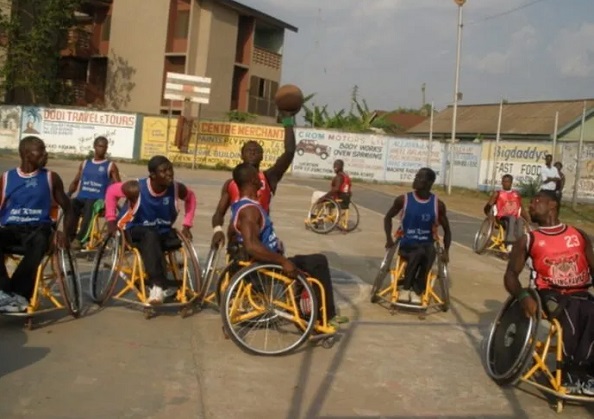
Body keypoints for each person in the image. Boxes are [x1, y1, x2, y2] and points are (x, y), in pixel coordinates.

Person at [229, 162, 348, 327]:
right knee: (319, 262)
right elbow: (251, 245)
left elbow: (234, 232)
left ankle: (311, 311)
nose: (260, 178)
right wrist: (282, 261)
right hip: (267, 267)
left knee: (306, 263)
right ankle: (326, 317)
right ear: (251, 180)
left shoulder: (239, 205)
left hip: (265, 262)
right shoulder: (250, 210)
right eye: (257, 176)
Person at [504, 190, 594, 395]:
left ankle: (586, 372)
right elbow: (510, 275)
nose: (530, 205)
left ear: (552, 205)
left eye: (536, 201)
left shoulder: (578, 235)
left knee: (589, 310)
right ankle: (571, 372)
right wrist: (523, 296)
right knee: (570, 312)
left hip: (580, 292)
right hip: (549, 293)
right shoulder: (528, 239)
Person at [104, 155, 196, 305]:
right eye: (163, 171)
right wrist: (110, 219)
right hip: (132, 230)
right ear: (152, 175)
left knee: (162, 238)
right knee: (150, 235)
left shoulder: (176, 188)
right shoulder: (136, 188)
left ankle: (161, 281)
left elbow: (191, 197)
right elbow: (111, 192)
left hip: (160, 230)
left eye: (170, 169)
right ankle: (158, 285)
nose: (169, 174)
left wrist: (187, 224)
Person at [0, 136, 75, 312]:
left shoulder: (51, 178)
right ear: (26, 154)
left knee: (40, 240)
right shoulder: (7, 178)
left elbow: (69, 208)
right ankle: (4, 291)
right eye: (40, 150)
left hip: (38, 229)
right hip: (12, 229)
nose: (45, 154)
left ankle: (17, 293)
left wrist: (66, 233)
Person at [210, 111, 296, 249]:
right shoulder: (231, 184)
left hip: (260, 237)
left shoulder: (269, 178)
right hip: (238, 238)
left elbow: (289, 152)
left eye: (256, 150)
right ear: (241, 155)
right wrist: (217, 230)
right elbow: (219, 214)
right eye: (248, 150)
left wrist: (287, 121)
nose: (252, 152)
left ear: (262, 156)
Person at [383, 168, 452, 304]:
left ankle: (416, 290)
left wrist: (447, 252)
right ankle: (406, 289)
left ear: (430, 182)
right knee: (419, 251)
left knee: (429, 252)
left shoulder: (438, 205)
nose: (415, 179)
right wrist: (389, 239)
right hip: (407, 242)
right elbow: (387, 217)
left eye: (420, 178)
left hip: (427, 244)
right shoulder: (403, 199)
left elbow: (447, 230)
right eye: (416, 176)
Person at [68, 136, 121, 250]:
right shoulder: (85, 163)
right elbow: (76, 181)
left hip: (99, 201)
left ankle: (80, 239)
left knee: (90, 204)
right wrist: (68, 194)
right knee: (71, 203)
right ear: (94, 146)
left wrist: (112, 203)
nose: (103, 149)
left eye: (105, 147)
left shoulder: (110, 166)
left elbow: (118, 187)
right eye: (100, 146)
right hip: (82, 197)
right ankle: (69, 236)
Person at [483, 174, 531, 251]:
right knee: (511, 218)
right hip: (501, 218)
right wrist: (489, 216)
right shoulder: (498, 193)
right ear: (501, 183)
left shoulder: (516, 194)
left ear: (511, 183)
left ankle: (519, 243)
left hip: (514, 218)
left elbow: (521, 209)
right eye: (504, 181)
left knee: (520, 220)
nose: (506, 183)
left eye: (508, 182)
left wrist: (529, 220)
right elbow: (487, 206)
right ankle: (509, 243)